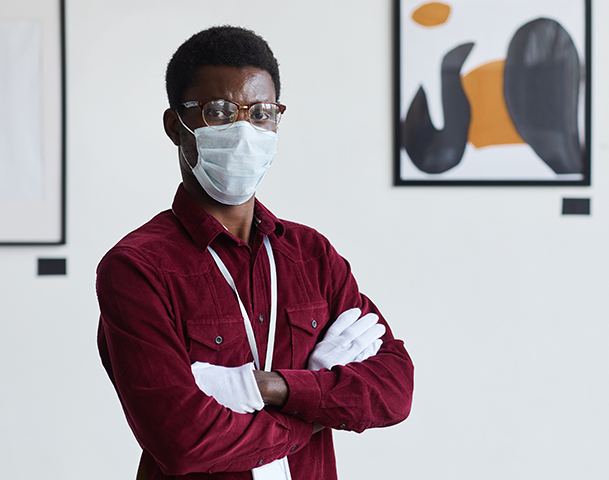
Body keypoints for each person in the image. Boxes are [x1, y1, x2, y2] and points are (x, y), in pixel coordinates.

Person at [96, 25, 414, 480]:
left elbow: (395, 388)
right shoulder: (137, 269)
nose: (245, 130)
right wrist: (317, 401)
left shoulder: (312, 255)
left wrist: (272, 387)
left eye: (262, 113)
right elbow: (183, 441)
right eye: (219, 112)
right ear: (175, 126)